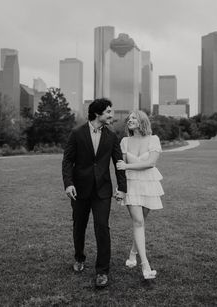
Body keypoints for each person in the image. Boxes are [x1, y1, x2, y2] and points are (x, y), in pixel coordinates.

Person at [62, 98, 126, 288]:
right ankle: (79, 258)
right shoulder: (76, 133)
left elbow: (119, 164)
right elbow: (67, 161)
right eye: (108, 112)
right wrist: (68, 184)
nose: (111, 115)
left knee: (102, 227)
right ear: (97, 114)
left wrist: (122, 188)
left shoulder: (112, 136)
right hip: (79, 189)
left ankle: (102, 271)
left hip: (102, 190)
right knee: (79, 226)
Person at [116, 110, 164, 280]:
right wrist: (120, 189)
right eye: (129, 118)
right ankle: (145, 266)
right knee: (138, 222)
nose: (130, 120)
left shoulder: (153, 139)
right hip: (131, 185)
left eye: (134, 117)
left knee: (141, 222)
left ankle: (132, 253)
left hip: (149, 184)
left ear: (142, 121)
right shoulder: (124, 141)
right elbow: (119, 167)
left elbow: (151, 163)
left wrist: (127, 166)